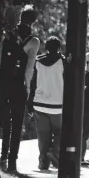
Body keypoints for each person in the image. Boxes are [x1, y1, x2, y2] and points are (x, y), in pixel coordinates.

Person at [0, 6, 40, 172]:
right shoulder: (33, 41)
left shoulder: (8, 34)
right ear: (35, 20)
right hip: (18, 85)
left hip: (3, 83)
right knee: (16, 124)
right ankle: (9, 161)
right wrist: (27, 87)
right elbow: (29, 68)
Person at [28, 36, 65, 170]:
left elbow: (32, 84)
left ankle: (43, 162)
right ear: (59, 48)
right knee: (62, 132)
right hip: (58, 106)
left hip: (39, 104)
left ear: (46, 48)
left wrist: (30, 103)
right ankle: (54, 152)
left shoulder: (37, 61)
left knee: (43, 135)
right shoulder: (63, 62)